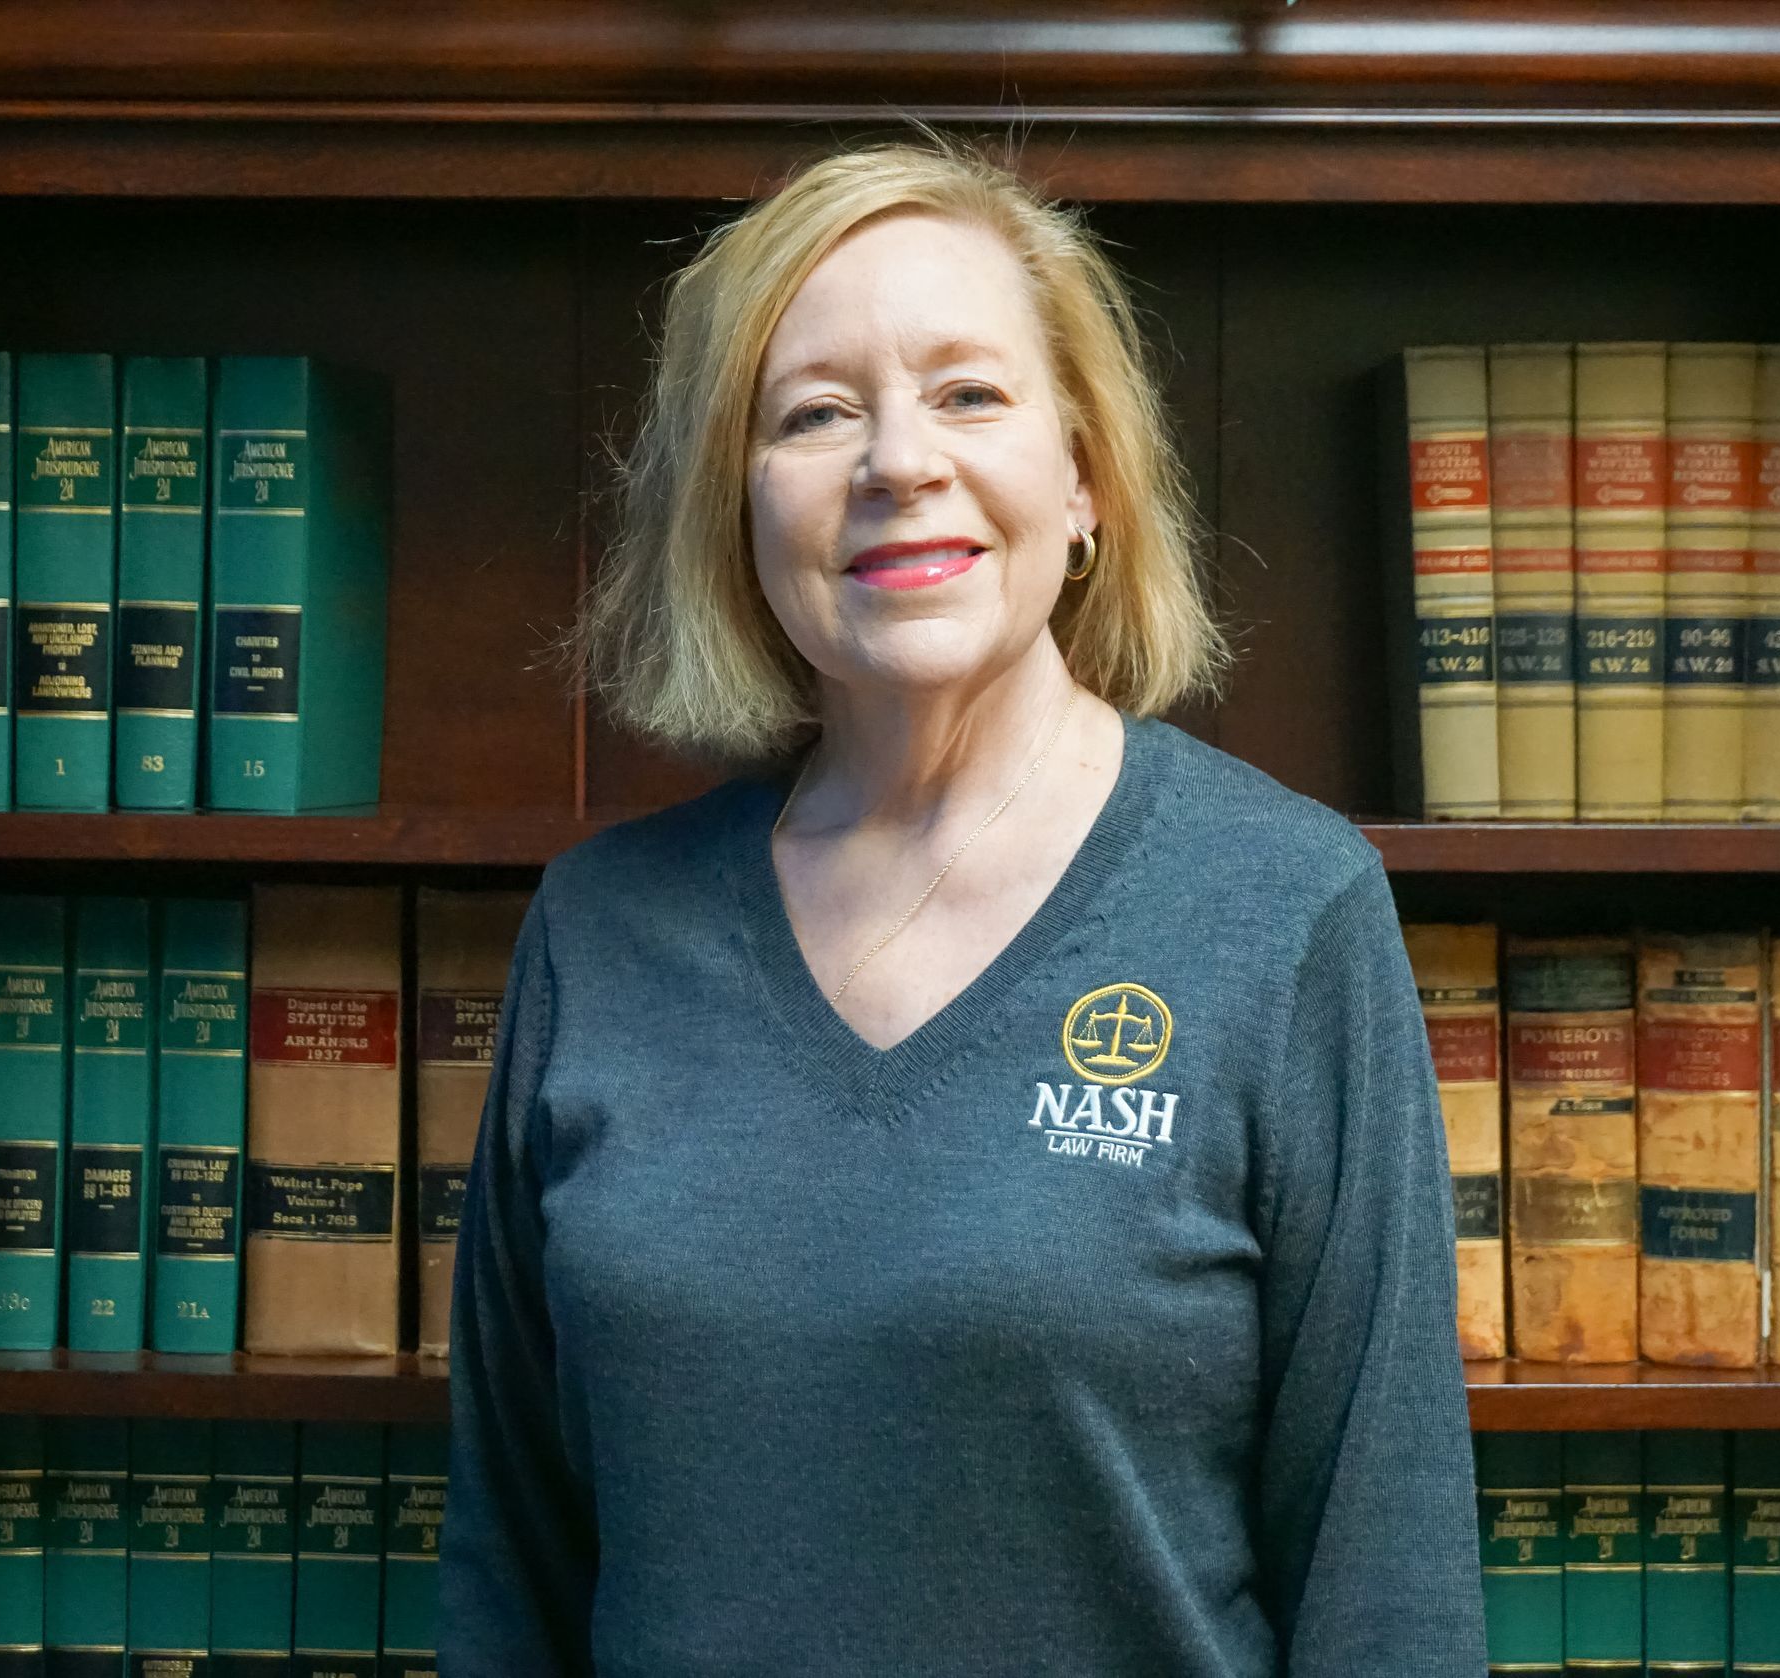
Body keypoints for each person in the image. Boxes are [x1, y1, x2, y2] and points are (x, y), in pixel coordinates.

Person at [439, 139, 1486, 1676]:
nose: (896, 461)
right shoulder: (596, 932)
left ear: (1084, 480)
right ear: (740, 510)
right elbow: (507, 1574)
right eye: (814, 413)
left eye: (968, 393)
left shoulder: (1288, 910)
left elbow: (1384, 1588)